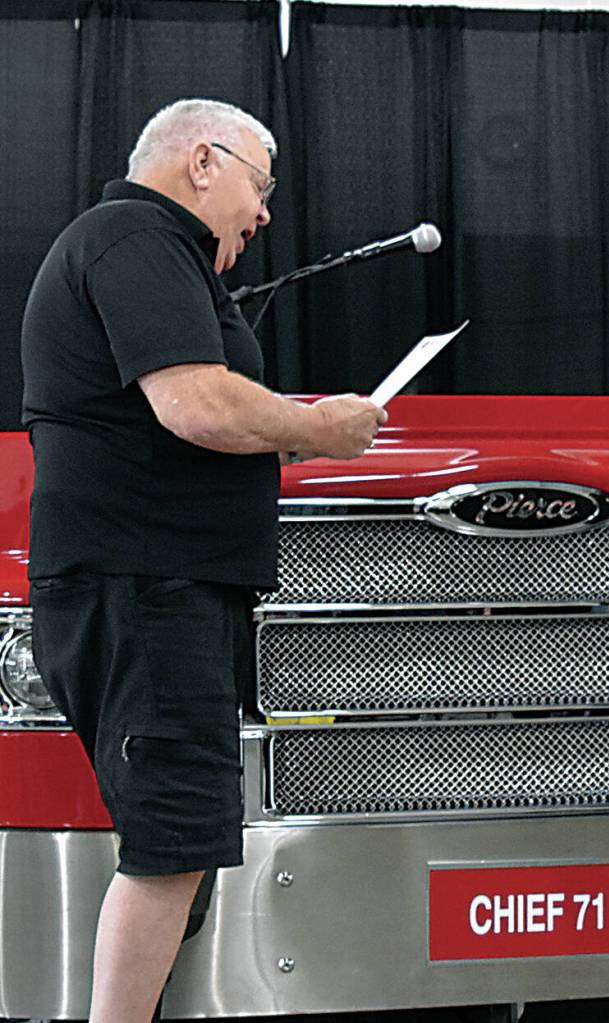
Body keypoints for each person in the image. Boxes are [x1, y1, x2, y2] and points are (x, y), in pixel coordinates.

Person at [20, 98, 386, 1023]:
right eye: (259, 187)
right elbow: (197, 405)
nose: (263, 216)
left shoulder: (148, 249)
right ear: (201, 161)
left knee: (178, 841)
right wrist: (319, 429)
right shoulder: (134, 236)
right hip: (144, 586)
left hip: (161, 586)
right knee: (170, 842)